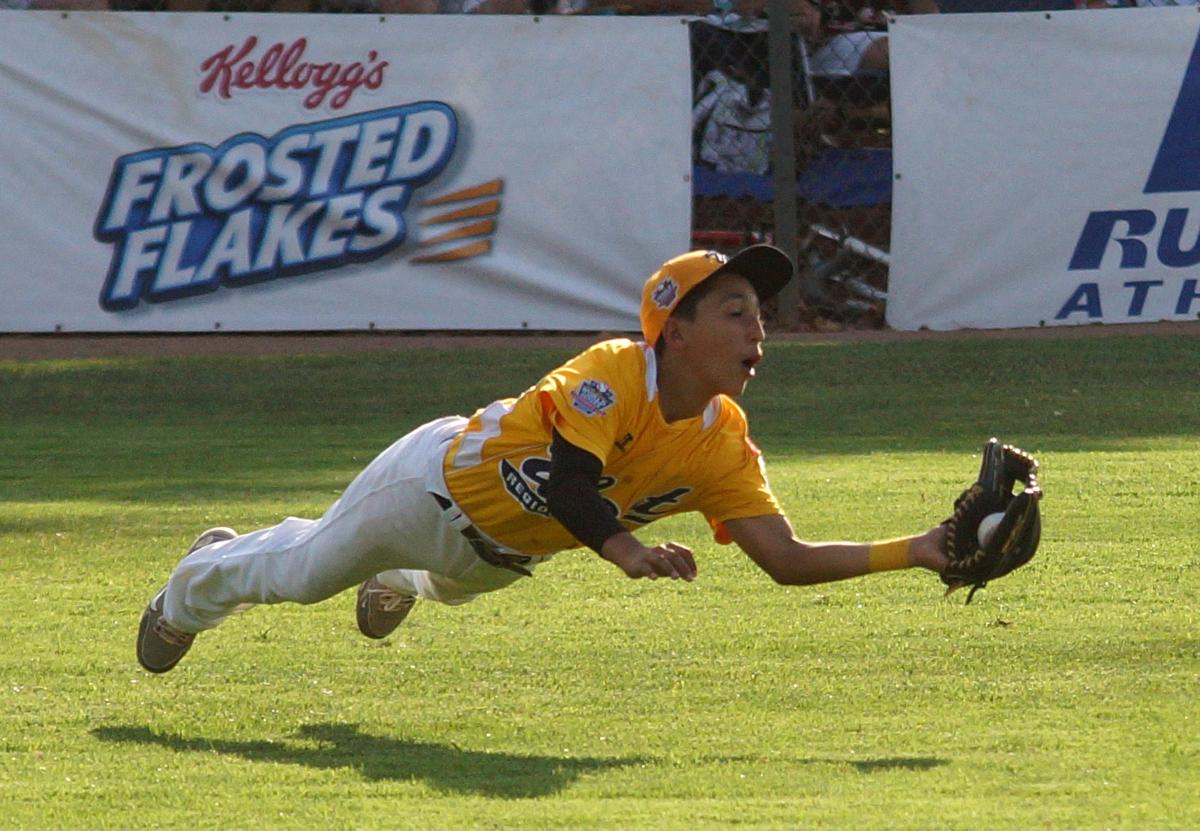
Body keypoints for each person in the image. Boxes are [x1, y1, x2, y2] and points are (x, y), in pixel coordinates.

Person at [136, 244, 950, 674]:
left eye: (760, 315)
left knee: (446, 588)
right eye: (736, 311)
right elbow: (567, 480)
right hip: (426, 489)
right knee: (302, 574)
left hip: (506, 552)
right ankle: (187, 590)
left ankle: (395, 579)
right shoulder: (614, 370)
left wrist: (913, 550)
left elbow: (785, 557)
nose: (757, 330)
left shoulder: (720, 441)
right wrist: (628, 549)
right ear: (675, 327)